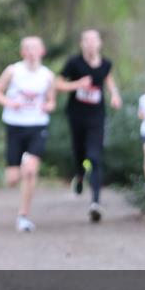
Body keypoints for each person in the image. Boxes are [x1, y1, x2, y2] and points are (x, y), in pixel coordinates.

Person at [0, 36, 56, 232]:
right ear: (22, 52)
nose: (32, 52)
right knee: (12, 178)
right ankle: (19, 166)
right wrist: (10, 103)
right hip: (15, 126)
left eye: (36, 48)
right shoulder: (13, 71)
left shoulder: (47, 75)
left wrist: (47, 106)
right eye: (28, 48)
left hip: (37, 125)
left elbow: (52, 102)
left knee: (31, 171)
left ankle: (23, 216)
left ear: (42, 51)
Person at [54, 29, 122, 222]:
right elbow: (57, 84)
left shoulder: (106, 64)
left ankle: (95, 203)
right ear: (82, 44)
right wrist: (77, 85)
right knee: (80, 156)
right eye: (87, 40)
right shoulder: (74, 63)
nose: (91, 44)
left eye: (94, 40)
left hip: (96, 118)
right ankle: (80, 175)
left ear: (100, 43)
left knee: (94, 156)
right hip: (76, 117)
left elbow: (109, 81)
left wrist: (115, 95)